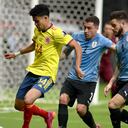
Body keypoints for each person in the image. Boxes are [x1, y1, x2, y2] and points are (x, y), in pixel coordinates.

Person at [4, 4, 83, 128]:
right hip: (33, 71)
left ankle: (25, 126)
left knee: (28, 100)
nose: (35, 24)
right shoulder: (38, 30)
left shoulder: (57, 33)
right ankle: (47, 115)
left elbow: (77, 46)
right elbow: (34, 45)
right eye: (34, 22)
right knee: (18, 106)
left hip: (47, 75)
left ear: (46, 18)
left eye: (37, 21)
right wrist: (17, 53)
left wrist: (77, 67)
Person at [58, 16, 116, 128]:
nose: (85, 30)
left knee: (81, 109)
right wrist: (53, 58)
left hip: (88, 82)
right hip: (72, 78)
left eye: (89, 28)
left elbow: (117, 49)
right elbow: (65, 54)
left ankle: (94, 126)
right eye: (84, 27)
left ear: (97, 28)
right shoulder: (76, 36)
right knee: (63, 98)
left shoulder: (102, 40)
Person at [104, 10, 128, 128]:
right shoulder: (119, 42)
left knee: (112, 105)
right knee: (114, 113)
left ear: (123, 23)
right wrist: (111, 82)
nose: (112, 29)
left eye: (114, 26)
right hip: (121, 81)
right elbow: (119, 65)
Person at [100, 22, 117, 97]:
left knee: (113, 84)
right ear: (103, 29)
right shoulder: (99, 38)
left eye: (110, 29)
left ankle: (114, 102)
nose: (108, 31)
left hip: (106, 64)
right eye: (106, 29)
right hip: (96, 64)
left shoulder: (115, 39)